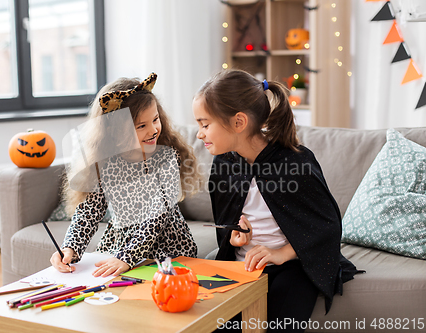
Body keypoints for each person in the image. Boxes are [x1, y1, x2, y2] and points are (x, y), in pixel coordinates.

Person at [192, 69, 360, 332]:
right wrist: (235, 236)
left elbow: (326, 226)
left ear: (238, 123)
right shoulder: (224, 163)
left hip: (293, 264)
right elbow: (229, 217)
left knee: (281, 317)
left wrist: (281, 254)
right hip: (240, 264)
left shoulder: (295, 162)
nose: (199, 134)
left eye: (205, 124)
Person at [51, 73, 200, 277]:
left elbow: (156, 218)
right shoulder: (105, 163)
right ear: (116, 131)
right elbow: (89, 211)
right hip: (121, 249)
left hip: (168, 252)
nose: (153, 130)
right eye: (141, 126)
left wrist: (127, 257)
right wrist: (70, 248)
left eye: (155, 120)